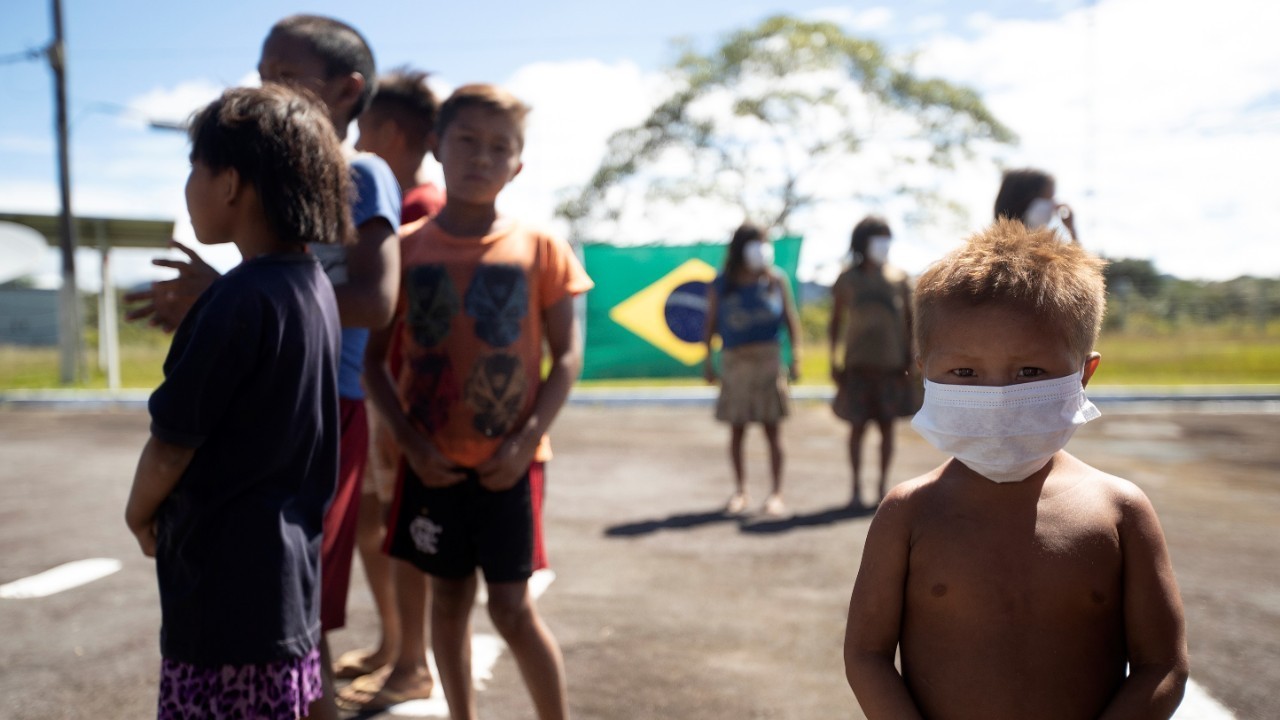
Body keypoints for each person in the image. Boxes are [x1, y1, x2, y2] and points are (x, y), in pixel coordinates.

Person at [125, 15, 402, 720]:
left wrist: (139, 509)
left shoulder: (239, 298)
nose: (188, 184)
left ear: (232, 185)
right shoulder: (308, 285)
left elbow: (173, 440)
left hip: (222, 595)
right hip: (281, 576)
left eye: (195, 167)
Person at [843, 219, 1188, 719]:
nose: (998, 397)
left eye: (1030, 372)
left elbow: (1163, 666)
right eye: (965, 372)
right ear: (924, 372)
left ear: (1084, 373)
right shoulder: (908, 513)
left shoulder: (1121, 512)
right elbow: (866, 654)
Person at [362, 83, 593, 719]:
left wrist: (524, 443)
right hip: (430, 465)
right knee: (448, 601)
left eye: (499, 147)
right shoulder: (404, 249)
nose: (481, 157)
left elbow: (566, 358)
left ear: (518, 164)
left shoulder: (541, 248)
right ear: (437, 145)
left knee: (513, 609)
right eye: (466, 141)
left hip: (512, 466)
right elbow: (373, 362)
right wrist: (412, 446)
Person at [331, 67, 444, 701]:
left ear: (392, 132)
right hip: (379, 393)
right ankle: (394, 643)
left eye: (365, 128)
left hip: (398, 398)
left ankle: (411, 662)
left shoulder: (418, 211)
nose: (356, 141)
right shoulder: (401, 205)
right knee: (375, 523)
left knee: (400, 528)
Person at [702, 223, 802, 517]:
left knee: (773, 430)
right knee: (737, 429)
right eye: (755, 243)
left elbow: (791, 321)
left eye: (764, 243)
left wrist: (796, 357)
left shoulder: (775, 280)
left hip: (769, 363)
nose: (761, 249)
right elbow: (710, 326)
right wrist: (708, 361)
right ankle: (740, 491)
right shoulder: (721, 284)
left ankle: (776, 493)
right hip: (735, 364)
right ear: (740, 248)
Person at [828, 216, 913, 509]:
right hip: (857, 367)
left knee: (888, 427)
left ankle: (881, 487)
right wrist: (833, 360)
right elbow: (835, 321)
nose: (883, 244)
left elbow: (910, 323)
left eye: (886, 238)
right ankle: (855, 488)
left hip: (891, 367)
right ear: (862, 242)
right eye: (877, 237)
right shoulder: (847, 279)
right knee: (857, 427)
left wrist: (910, 360)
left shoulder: (900, 279)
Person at [993, 167, 1079, 242]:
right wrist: (1072, 232)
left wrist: (1071, 228)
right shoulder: (994, 250)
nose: (1054, 205)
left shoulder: (1045, 245)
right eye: (1047, 199)